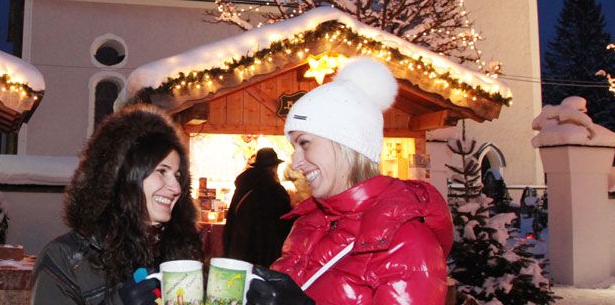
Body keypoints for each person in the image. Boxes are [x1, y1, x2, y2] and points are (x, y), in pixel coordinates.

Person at [247, 57, 454, 305]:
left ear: (346, 144)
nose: (295, 163)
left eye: (304, 143)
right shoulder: (308, 225)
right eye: (294, 147)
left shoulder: (408, 242)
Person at [31, 105, 202, 305]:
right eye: (161, 171)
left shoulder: (180, 252)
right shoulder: (66, 259)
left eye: (177, 175)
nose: (175, 187)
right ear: (125, 175)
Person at [223, 147, 292, 267]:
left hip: (240, 251)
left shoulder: (243, 187)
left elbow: (231, 221)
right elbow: (285, 223)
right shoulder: (276, 190)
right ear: (273, 168)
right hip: (267, 254)